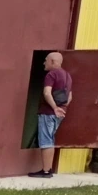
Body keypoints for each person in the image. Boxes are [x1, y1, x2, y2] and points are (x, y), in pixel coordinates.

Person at [30, 50, 72, 179]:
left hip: (48, 112)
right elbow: (70, 96)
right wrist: (62, 108)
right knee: (50, 139)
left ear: (53, 62)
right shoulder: (67, 75)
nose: (43, 63)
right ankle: (48, 169)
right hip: (58, 113)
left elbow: (47, 93)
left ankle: (46, 171)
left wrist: (54, 108)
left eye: (46, 60)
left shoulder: (51, 74)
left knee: (46, 141)